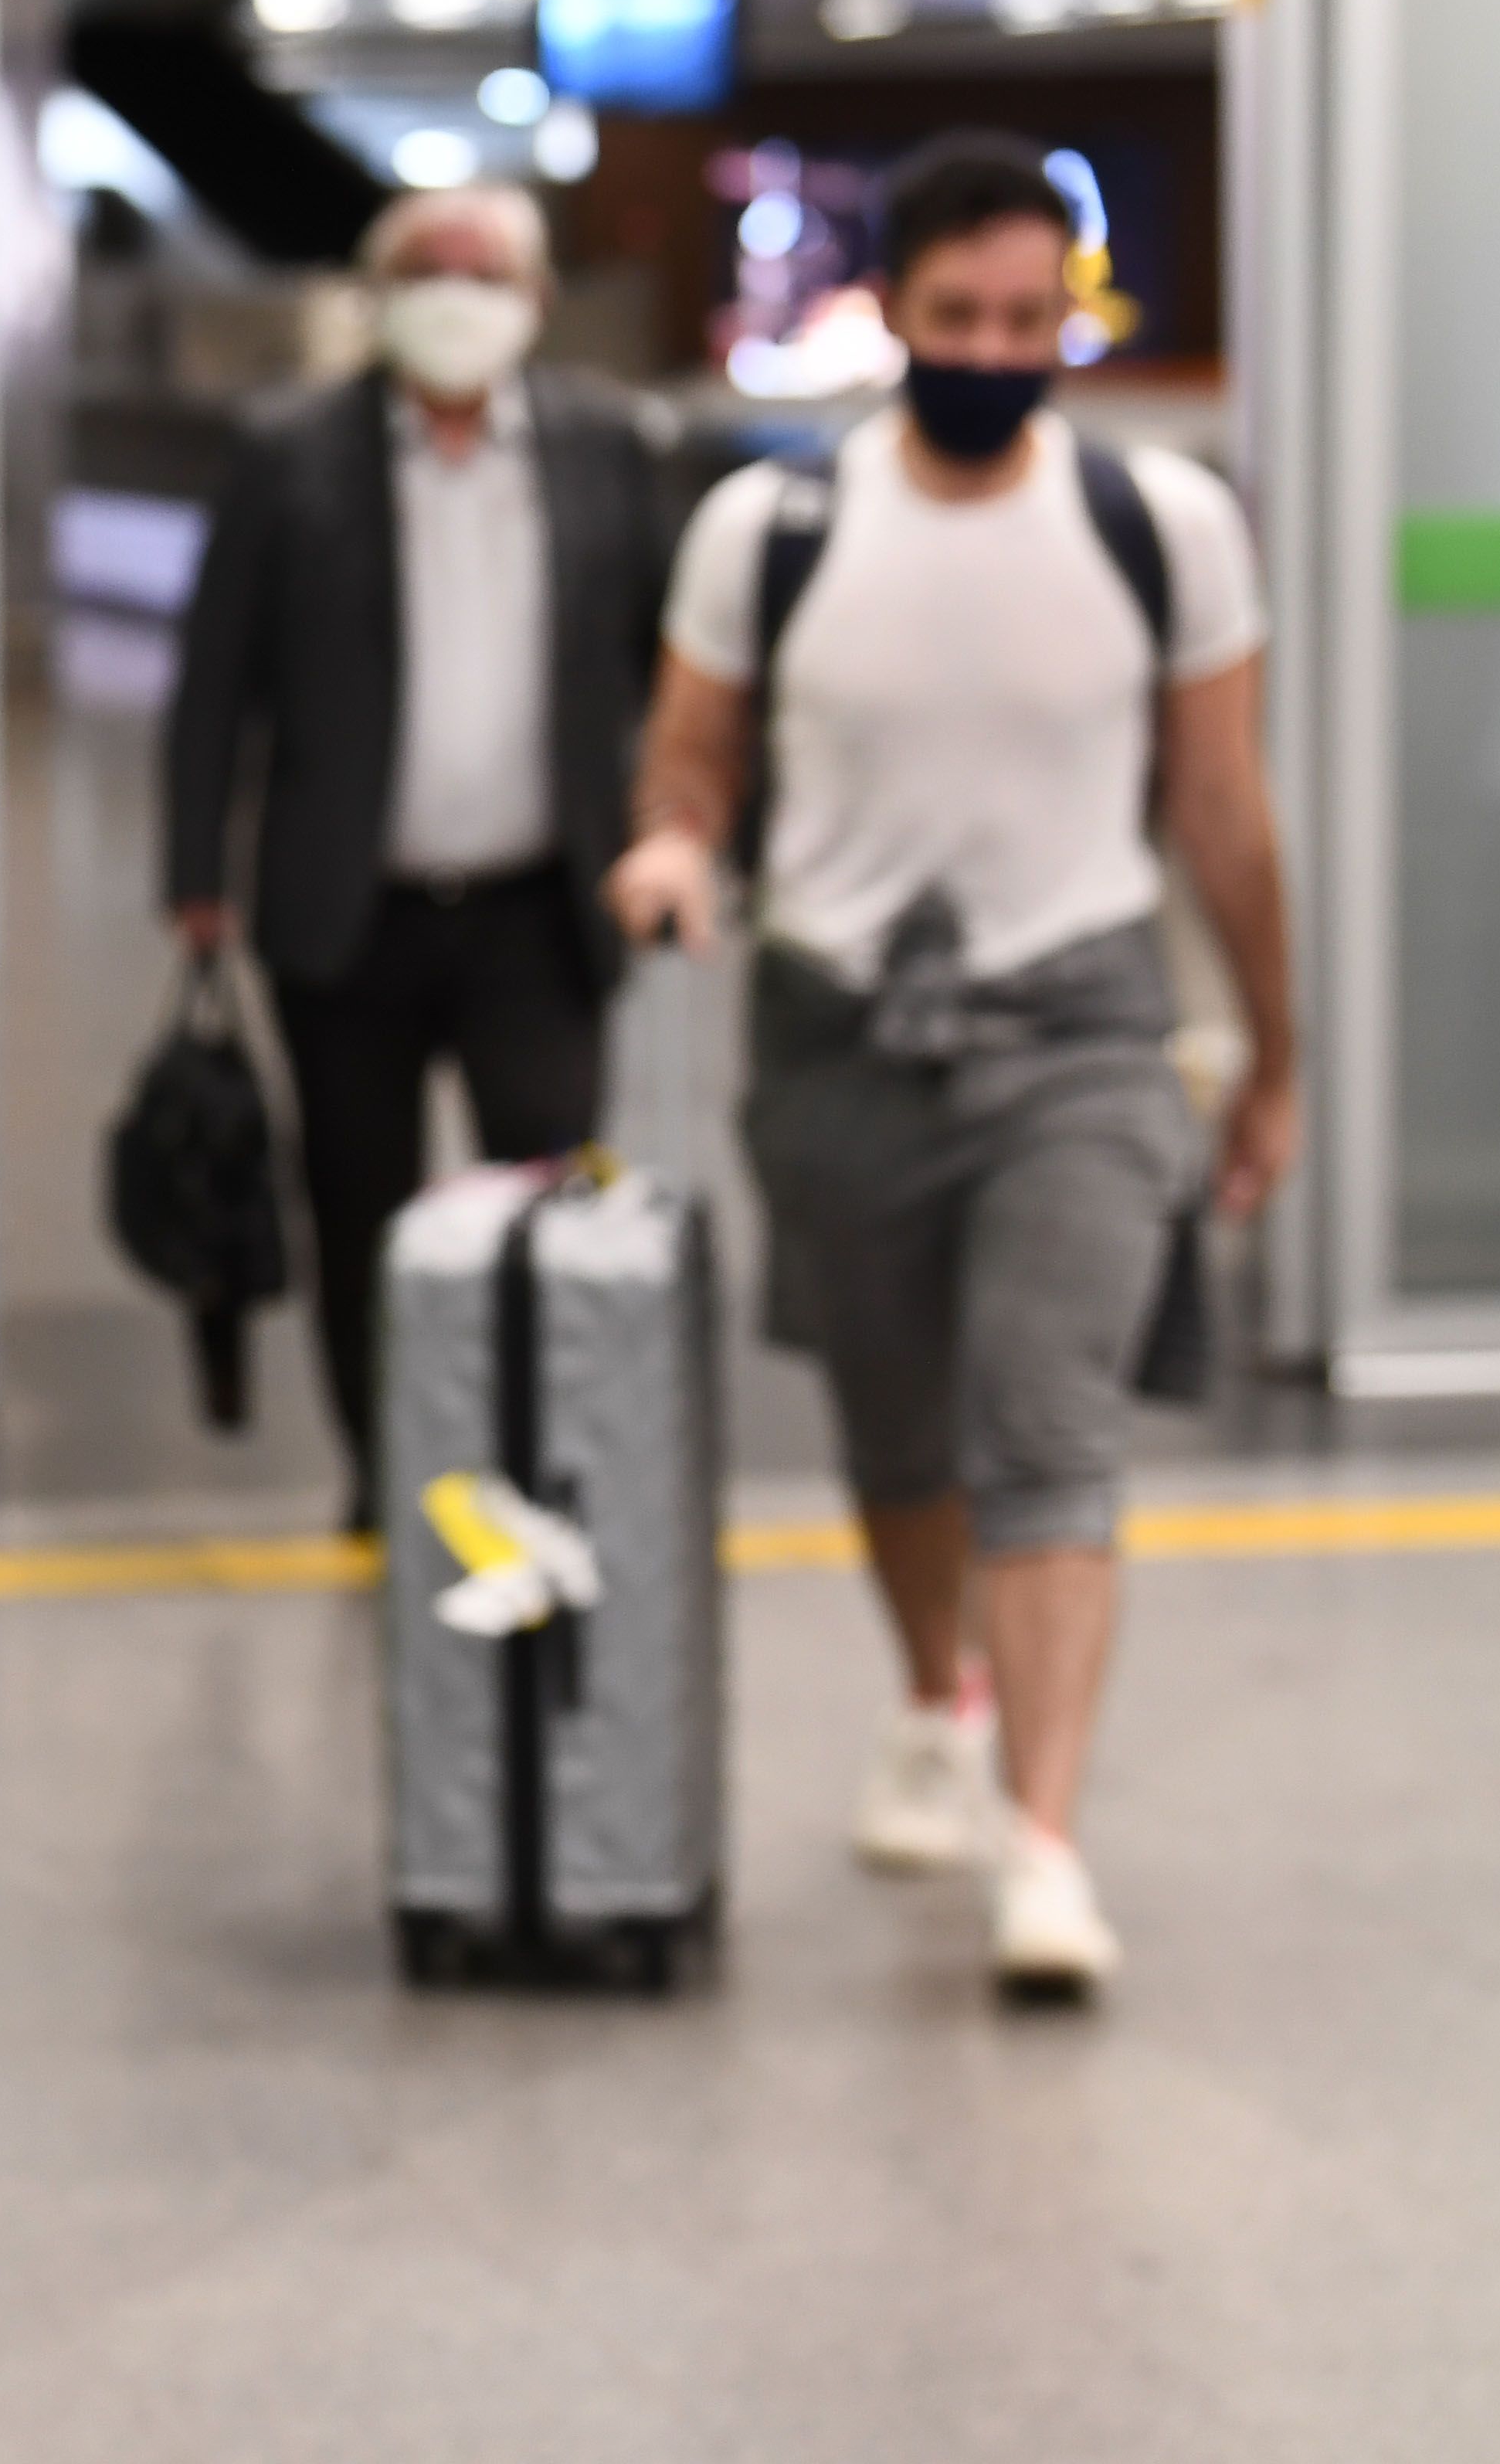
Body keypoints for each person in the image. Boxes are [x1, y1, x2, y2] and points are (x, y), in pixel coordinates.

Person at [609, 130, 1296, 1997]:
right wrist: (677, 842)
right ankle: (938, 1693)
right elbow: (692, 755)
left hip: (1079, 1027)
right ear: (891, 317)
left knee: (1047, 1425)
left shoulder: (1166, 526)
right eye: (960, 315)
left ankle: (1045, 1840)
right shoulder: (778, 530)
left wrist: (1278, 1058)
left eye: (1032, 315)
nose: (1000, 346)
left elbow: (1225, 817)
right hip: (837, 1030)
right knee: (898, 1426)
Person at [165, 184, 676, 1524]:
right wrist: (194, 873)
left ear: (538, 302)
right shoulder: (292, 454)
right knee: (363, 1209)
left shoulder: (607, 446)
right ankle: (391, 1472)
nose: (457, 298)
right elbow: (217, 677)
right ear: (380, 297)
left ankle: (542, 1458)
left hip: (540, 910)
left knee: (551, 1208)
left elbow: (670, 668)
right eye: (429, 271)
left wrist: (680, 834)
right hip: (349, 912)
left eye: (484, 272)